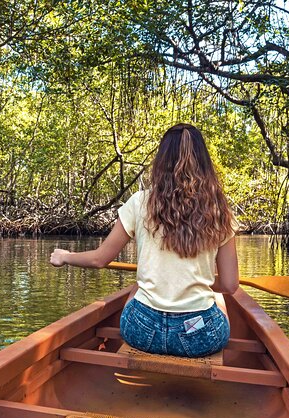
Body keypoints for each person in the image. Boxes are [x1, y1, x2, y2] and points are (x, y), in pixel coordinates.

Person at [50, 123, 238, 358]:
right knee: (218, 298)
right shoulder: (219, 210)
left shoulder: (140, 202)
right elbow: (230, 286)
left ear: (161, 162)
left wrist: (65, 257)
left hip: (143, 330)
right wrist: (203, 285)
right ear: (204, 163)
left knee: (137, 288)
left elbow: (100, 259)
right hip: (198, 335)